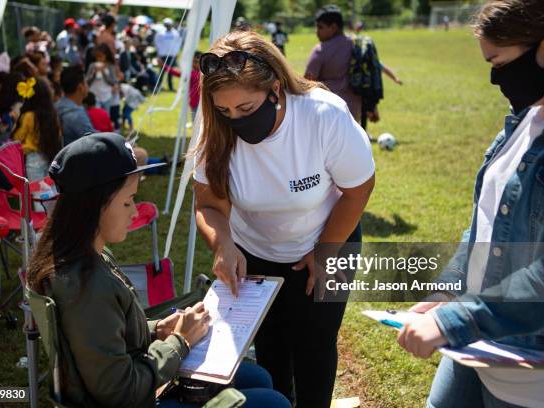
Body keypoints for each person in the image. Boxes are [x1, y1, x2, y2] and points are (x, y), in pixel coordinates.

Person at [26, 133, 291, 408]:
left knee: (257, 377)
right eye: (128, 201)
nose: (133, 211)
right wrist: (180, 341)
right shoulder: (87, 285)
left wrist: (156, 330)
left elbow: (107, 338)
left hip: (138, 379)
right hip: (134, 397)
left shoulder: (82, 257)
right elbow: (119, 391)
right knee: (274, 402)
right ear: (95, 205)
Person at [193, 31, 375, 408]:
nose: (236, 121)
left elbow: (358, 190)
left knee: (315, 345)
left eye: (246, 109)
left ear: (275, 88)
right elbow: (208, 204)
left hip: (329, 238)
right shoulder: (215, 128)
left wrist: (326, 251)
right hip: (254, 249)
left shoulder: (323, 115)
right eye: (224, 112)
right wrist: (223, 243)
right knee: (271, 347)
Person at [397, 1, 544, 408]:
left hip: (537, 367)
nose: (493, 78)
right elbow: (484, 223)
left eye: (498, 62)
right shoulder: (525, 117)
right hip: (477, 340)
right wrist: (450, 289)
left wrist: (455, 320)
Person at [305, 5, 360, 121]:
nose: (317, 32)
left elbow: (307, 83)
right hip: (354, 113)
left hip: (326, 110)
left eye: (320, 27)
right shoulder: (357, 45)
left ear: (334, 27)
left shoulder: (320, 50)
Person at [352, 22, 403, 131]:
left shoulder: (372, 63)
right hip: (365, 92)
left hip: (365, 91)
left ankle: (363, 128)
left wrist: (395, 79)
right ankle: (363, 129)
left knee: (366, 112)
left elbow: (385, 69)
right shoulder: (366, 63)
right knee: (366, 112)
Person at [11, 77, 62, 181]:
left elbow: (17, 138)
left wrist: (17, 121)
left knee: (37, 192)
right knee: (51, 191)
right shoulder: (53, 115)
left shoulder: (28, 116)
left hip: (33, 159)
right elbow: (59, 135)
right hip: (51, 156)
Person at [56, 65, 94, 146]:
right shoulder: (77, 115)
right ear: (80, 87)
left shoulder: (57, 106)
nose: (87, 86)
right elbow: (94, 141)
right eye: (85, 82)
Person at [159, 51, 202, 121]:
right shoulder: (192, 73)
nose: (194, 64)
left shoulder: (199, 74)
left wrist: (164, 66)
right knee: (196, 122)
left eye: (197, 61)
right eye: (193, 61)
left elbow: (178, 73)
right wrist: (164, 66)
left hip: (202, 103)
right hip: (195, 103)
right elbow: (177, 73)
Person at [86, 43, 121, 120]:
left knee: (105, 116)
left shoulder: (110, 66)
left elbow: (113, 81)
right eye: (97, 56)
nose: (99, 59)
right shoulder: (92, 65)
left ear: (106, 55)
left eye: (101, 56)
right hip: (95, 95)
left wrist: (104, 73)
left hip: (107, 95)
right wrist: (94, 74)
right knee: (96, 117)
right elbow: (87, 81)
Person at [155, 18, 182, 92]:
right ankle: (158, 86)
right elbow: (157, 43)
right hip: (163, 55)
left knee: (171, 72)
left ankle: (170, 86)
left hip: (172, 55)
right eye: (166, 25)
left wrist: (176, 52)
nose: (168, 26)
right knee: (162, 71)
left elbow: (178, 43)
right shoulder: (160, 33)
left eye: (169, 25)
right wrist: (159, 53)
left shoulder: (175, 33)